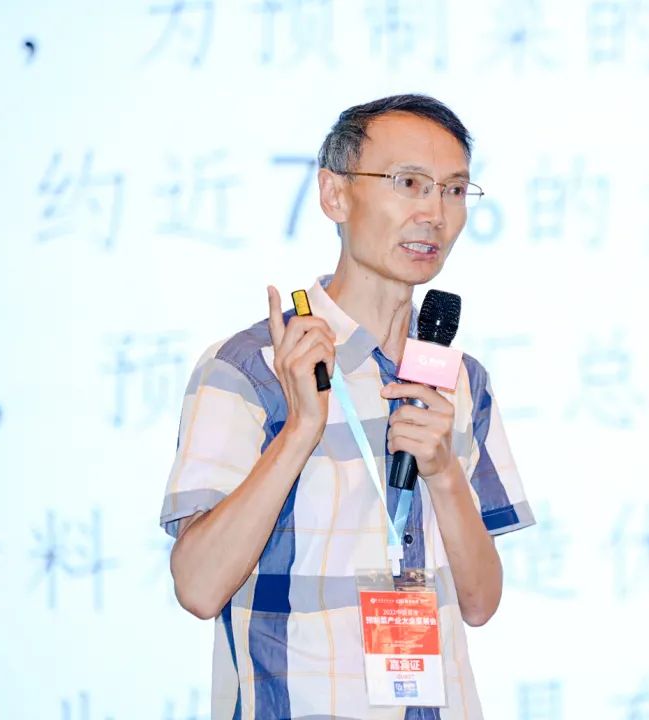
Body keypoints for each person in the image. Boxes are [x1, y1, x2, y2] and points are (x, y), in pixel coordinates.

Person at [159, 94, 535, 720]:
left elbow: (480, 603)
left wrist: (443, 471)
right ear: (335, 194)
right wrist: (300, 430)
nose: (434, 213)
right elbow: (197, 588)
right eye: (409, 183)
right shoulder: (250, 367)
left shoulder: (460, 379)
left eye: (453, 190)